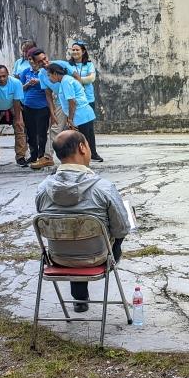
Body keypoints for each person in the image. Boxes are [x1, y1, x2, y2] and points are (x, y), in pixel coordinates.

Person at [36, 130, 133, 313]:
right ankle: (112, 255)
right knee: (123, 218)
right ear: (82, 148)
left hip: (58, 258)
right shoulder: (103, 187)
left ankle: (79, 298)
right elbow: (121, 228)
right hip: (96, 258)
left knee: (68, 231)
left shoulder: (42, 190)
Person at [45, 63, 101, 161]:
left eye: (49, 75)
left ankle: (85, 159)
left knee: (82, 140)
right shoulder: (65, 80)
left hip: (80, 114)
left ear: (55, 74)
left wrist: (70, 119)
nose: (49, 78)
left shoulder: (66, 82)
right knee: (87, 138)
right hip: (83, 113)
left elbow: (72, 102)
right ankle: (91, 156)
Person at [30, 48, 74, 170]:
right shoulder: (41, 75)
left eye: (45, 58)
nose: (44, 62)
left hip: (73, 100)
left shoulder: (61, 64)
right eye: (40, 61)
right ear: (35, 63)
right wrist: (52, 112)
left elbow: (76, 77)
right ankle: (48, 157)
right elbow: (48, 94)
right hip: (60, 102)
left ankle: (79, 157)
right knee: (54, 128)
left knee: (76, 128)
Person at [0, 64, 30, 170]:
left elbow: (17, 101)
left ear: (8, 74)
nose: (1, 79)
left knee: (20, 128)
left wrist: (18, 119)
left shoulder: (16, 83)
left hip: (12, 106)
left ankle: (20, 157)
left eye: (4, 76)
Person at [20, 50, 50, 167]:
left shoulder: (45, 72)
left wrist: (39, 81)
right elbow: (20, 88)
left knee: (42, 133)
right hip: (28, 106)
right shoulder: (25, 72)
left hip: (42, 106)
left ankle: (42, 156)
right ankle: (33, 155)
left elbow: (49, 88)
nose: (32, 62)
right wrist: (28, 84)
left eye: (34, 60)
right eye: (30, 60)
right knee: (31, 133)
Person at [69, 40, 97, 111]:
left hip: (88, 99)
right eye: (73, 50)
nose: (75, 52)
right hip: (74, 99)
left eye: (77, 50)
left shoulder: (89, 64)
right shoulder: (68, 65)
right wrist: (85, 79)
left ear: (83, 52)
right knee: (75, 121)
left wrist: (74, 79)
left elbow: (91, 79)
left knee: (89, 121)